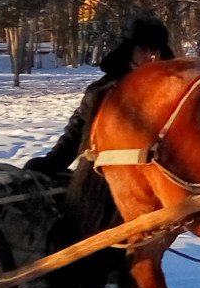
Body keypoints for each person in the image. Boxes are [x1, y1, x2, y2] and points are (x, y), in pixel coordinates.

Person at [26, 16, 173, 176]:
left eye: (156, 51)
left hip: (170, 174)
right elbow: (79, 130)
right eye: (144, 50)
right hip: (114, 173)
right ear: (130, 52)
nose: (151, 57)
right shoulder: (105, 91)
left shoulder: (175, 87)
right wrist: (54, 162)